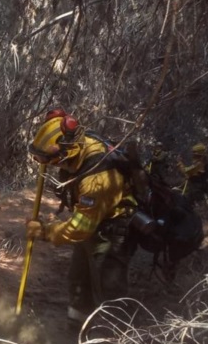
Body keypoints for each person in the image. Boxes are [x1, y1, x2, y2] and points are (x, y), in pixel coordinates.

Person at [25, 109, 138, 329]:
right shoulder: (78, 144)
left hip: (111, 232)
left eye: (53, 160)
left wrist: (45, 232)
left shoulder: (98, 178)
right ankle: (78, 327)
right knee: (78, 279)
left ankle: (117, 343)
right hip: (92, 224)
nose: (50, 165)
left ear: (69, 150)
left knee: (109, 289)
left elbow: (81, 228)